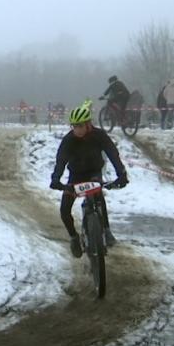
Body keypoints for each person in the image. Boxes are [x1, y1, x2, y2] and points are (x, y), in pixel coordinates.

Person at [49, 102, 129, 258]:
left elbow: (113, 154)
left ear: (88, 124)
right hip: (76, 177)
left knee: (98, 196)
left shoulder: (99, 135)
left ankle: (106, 230)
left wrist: (122, 174)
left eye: (79, 126)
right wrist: (56, 179)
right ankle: (73, 237)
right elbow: (60, 161)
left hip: (93, 173)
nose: (76, 129)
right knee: (64, 210)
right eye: (74, 126)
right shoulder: (68, 140)